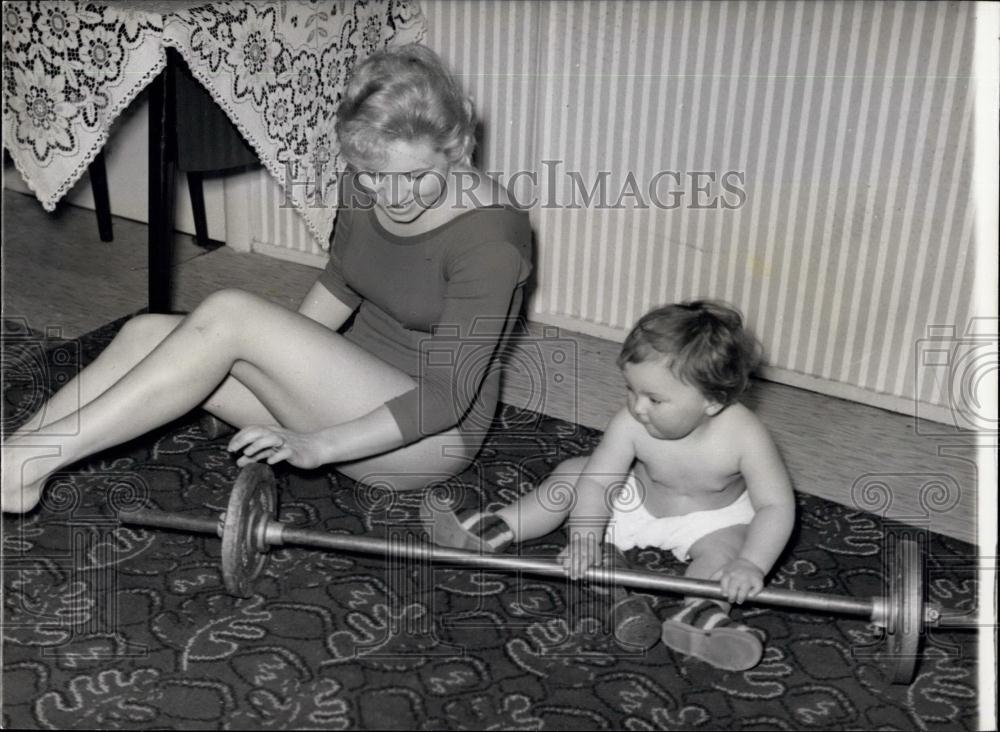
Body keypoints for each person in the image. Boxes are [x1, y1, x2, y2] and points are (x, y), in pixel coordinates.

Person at [2, 44, 531, 513]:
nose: (392, 196)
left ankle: (21, 466)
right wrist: (271, 362)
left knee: (231, 314)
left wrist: (318, 446)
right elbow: (342, 282)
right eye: (373, 176)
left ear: (457, 146)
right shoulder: (364, 181)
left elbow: (444, 400)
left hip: (421, 442)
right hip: (344, 395)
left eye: (415, 177)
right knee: (147, 334)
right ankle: (15, 462)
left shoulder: (490, 240)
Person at [423, 301, 795, 671]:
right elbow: (600, 483)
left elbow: (775, 506)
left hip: (710, 520)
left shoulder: (747, 437)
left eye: (654, 399)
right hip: (640, 497)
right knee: (573, 474)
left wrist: (751, 563)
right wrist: (585, 537)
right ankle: (498, 527)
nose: (637, 407)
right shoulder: (631, 422)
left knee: (728, 550)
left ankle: (701, 613)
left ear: (712, 401)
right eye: (631, 390)